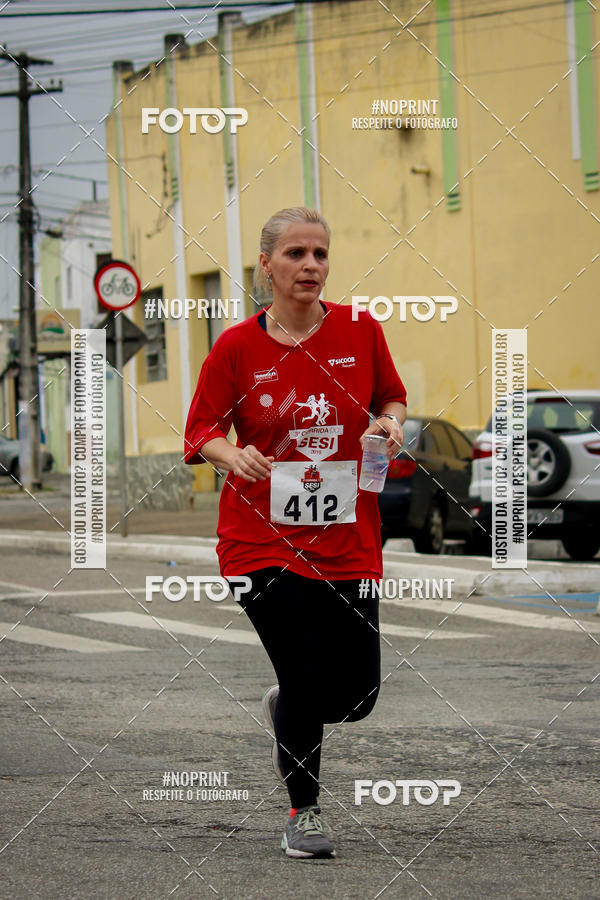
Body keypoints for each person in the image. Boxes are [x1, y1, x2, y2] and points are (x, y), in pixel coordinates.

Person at [184, 206, 407, 859]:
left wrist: (390, 425)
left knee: (358, 696)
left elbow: (390, 398)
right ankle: (303, 812)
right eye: (296, 255)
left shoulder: (361, 330)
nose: (311, 265)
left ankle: (286, 702)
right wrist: (233, 456)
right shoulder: (236, 348)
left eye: (320, 253)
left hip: (348, 538)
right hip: (260, 540)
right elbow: (201, 430)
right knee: (307, 676)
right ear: (268, 266)